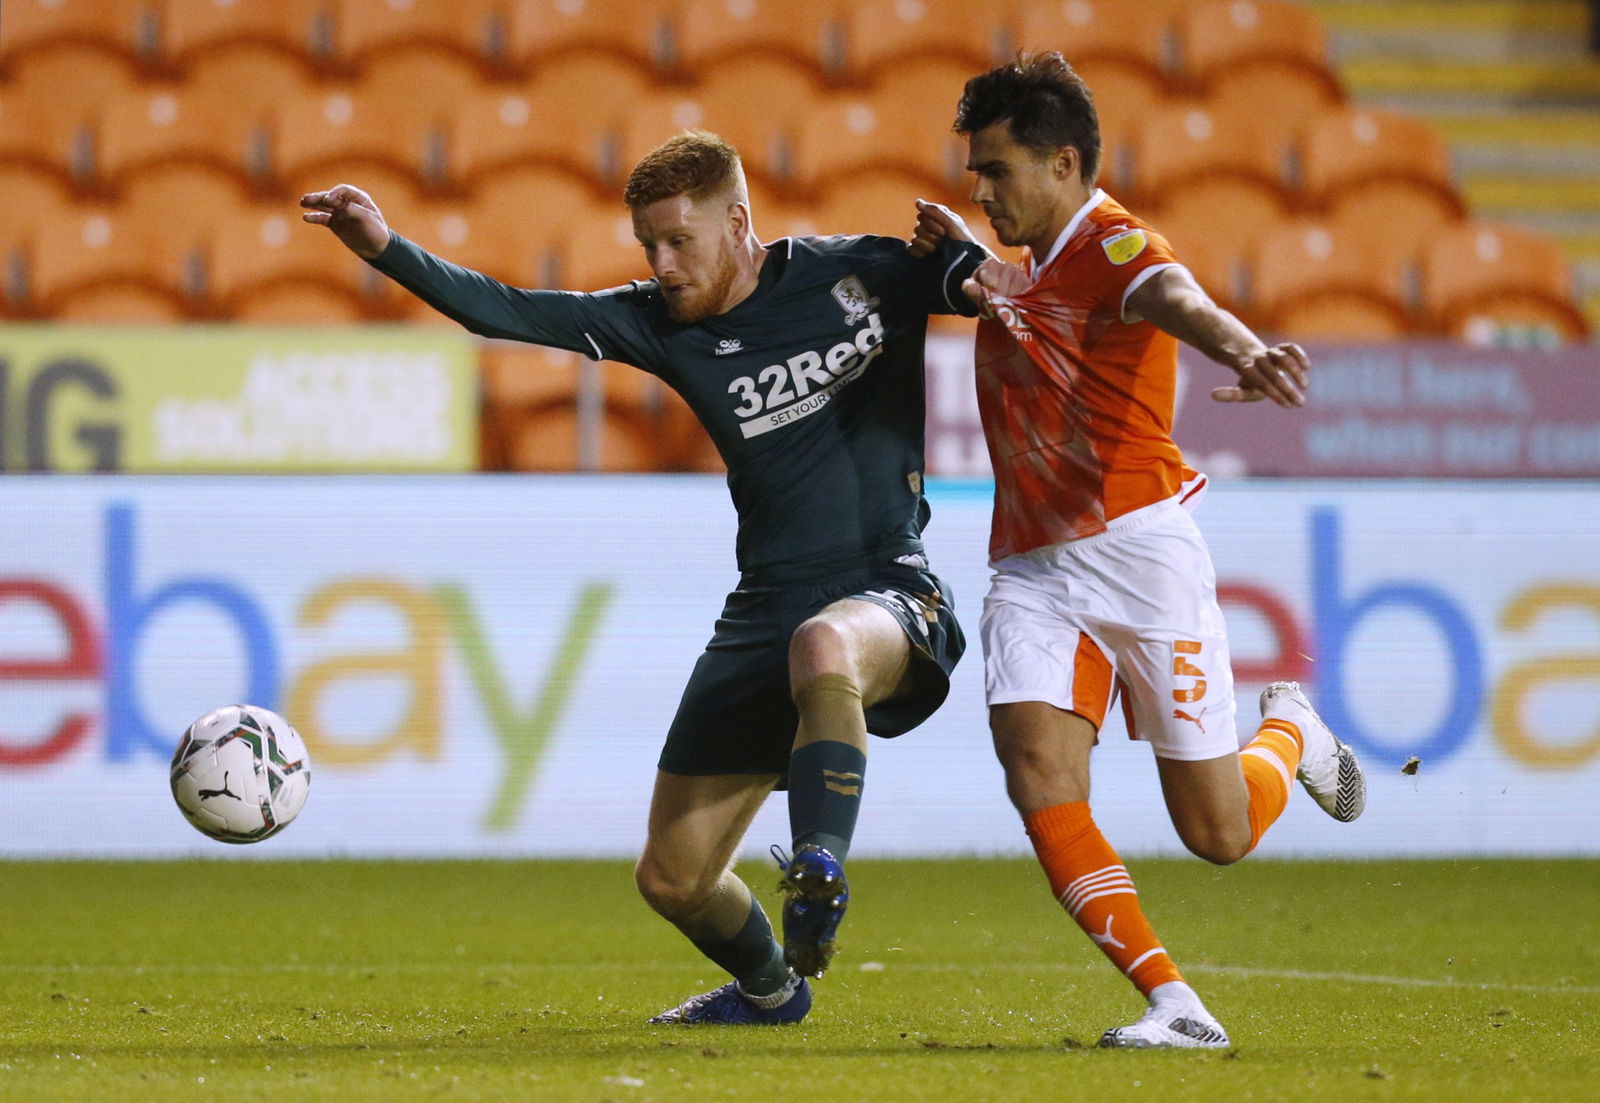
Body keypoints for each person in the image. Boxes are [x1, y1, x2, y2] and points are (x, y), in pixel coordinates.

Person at [301, 131, 987, 1025]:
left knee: (825, 644)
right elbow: (505, 310)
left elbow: (996, 295)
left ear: (737, 222)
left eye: (679, 242)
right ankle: (774, 990)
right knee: (672, 876)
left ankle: (818, 864)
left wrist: (968, 251)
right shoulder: (661, 324)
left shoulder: (861, 274)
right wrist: (385, 249)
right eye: (648, 246)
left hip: (887, 585)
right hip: (764, 606)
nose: (662, 265)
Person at [909, 53, 1367, 1048]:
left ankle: (1288, 730)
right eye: (973, 173)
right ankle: (1174, 1001)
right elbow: (1025, 303)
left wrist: (1243, 348)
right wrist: (966, 257)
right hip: (1033, 566)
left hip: (1139, 554)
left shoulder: (1115, 242)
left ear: (1064, 163)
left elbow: (1175, 297)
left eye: (996, 171)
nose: (980, 192)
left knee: (1218, 833)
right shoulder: (1026, 268)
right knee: (1035, 769)